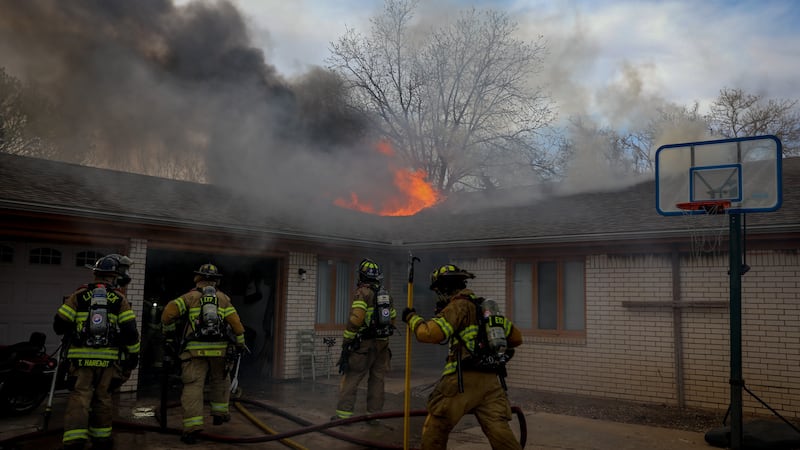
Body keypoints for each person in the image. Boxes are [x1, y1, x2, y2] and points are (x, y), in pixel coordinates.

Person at [402, 264, 523, 450]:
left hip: (461, 382)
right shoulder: (485, 309)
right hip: (491, 384)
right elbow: (516, 338)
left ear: (444, 288)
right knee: (500, 432)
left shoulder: (458, 306)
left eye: (438, 291)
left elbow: (429, 334)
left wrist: (412, 318)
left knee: (435, 428)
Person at [53, 254, 140, 450]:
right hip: (108, 360)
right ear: (113, 277)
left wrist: (73, 332)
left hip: (80, 359)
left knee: (80, 397)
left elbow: (59, 324)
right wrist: (133, 357)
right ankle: (101, 440)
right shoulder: (119, 299)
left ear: (96, 275)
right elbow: (130, 333)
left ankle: (75, 441)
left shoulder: (78, 296)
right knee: (103, 397)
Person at [161, 263, 246, 445]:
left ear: (197, 278)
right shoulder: (223, 299)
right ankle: (220, 414)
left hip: (194, 351)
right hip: (220, 351)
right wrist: (240, 343)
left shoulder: (189, 297)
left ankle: (192, 429)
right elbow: (237, 326)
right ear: (217, 281)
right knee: (221, 380)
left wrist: (169, 336)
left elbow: (167, 314)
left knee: (193, 386)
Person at [332, 258, 397, 423]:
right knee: (377, 380)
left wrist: (347, 341)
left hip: (364, 345)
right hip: (382, 345)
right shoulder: (386, 295)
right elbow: (393, 320)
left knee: (352, 377)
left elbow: (355, 320)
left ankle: (343, 416)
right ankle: (374, 416)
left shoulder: (363, 293)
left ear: (361, 276)